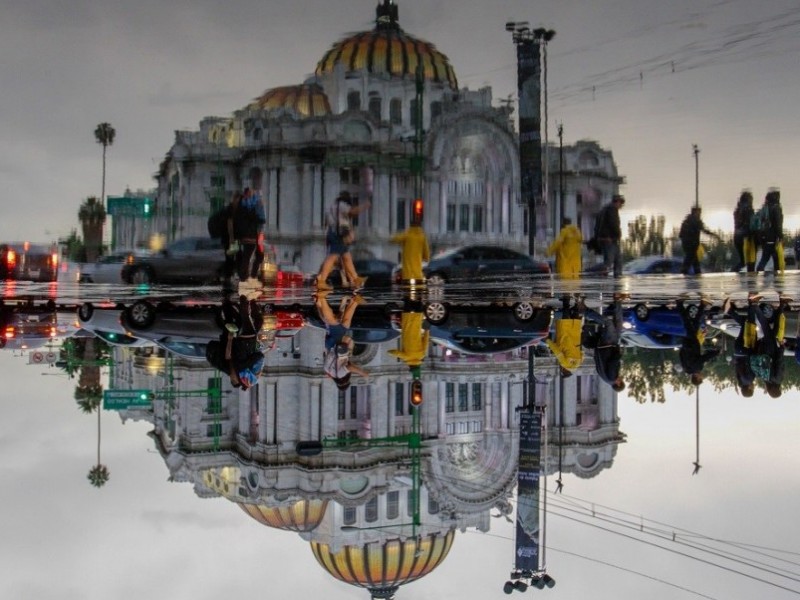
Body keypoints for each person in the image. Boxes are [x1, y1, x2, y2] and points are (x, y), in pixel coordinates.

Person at [205, 296, 266, 389]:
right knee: (254, 321)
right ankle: (244, 300)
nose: (234, 377)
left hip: (242, 342)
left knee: (245, 318)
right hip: (239, 342)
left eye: (234, 379)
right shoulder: (240, 370)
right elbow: (229, 356)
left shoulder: (236, 369)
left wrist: (230, 339)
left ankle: (244, 297)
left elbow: (228, 356)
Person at [317, 191, 371, 290]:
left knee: (347, 257)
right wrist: (365, 206)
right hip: (338, 234)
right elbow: (353, 211)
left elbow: (327, 222)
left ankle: (355, 279)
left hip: (332, 233)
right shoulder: (341, 205)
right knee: (332, 257)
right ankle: (322, 281)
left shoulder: (331, 207)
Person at [316, 290, 369, 390]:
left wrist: (362, 373)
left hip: (335, 345)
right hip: (330, 345)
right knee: (345, 323)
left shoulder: (340, 375)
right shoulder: (330, 372)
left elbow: (349, 368)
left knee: (332, 321)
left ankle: (322, 298)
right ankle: (355, 300)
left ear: (344, 381)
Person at [583, 294, 626, 391]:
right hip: (609, 345)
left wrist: (619, 355)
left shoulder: (612, 378)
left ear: (618, 383)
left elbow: (612, 363)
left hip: (607, 345)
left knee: (608, 323)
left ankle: (586, 311)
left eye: (621, 380)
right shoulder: (605, 378)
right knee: (619, 324)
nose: (621, 378)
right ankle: (617, 301)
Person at [677, 296, 719, 385]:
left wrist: (715, 353)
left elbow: (703, 358)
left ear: (697, 378)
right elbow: (681, 356)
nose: (702, 377)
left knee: (688, 322)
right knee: (694, 323)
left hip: (692, 343)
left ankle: (680, 304)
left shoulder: (697, 368)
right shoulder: (686, 369)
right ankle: (702, 305)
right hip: (686, 344)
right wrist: (684, 348)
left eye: (701, 378)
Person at [234, 187, 267, 291]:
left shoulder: (241, 204)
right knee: (254, 256)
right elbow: (261, 219)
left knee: (246, 256)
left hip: (243, 235)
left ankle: (245, 277)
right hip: (253, 235)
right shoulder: (254, 204)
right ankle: (248, 277)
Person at [546, 295, 585, 376]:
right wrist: (548, 341)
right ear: (564, 370)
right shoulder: (565, 364)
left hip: (575, 336)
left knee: (575, 318)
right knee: (565, 317)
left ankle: (577, 302)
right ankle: (566, 300)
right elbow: (557, 352)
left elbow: (582, 352)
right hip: (565, 337)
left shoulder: (578, 364)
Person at [390, 210, 430, 283]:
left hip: (407, 275)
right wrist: (427, 258)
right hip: (418, 274)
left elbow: (395, 239)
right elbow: (426, 252)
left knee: (406, 290)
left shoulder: (407, 235)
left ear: (410, 225)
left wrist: (389, 238)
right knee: (419, 290)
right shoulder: (422, 237)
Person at [678, 206, 720, 275]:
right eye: (699, 212)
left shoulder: (687, 221)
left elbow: (681, 234)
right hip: (691, 244)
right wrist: (713, 235)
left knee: (694, 260)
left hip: (687, 244)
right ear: (695, 212)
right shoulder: (695, 221)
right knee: (689, 259)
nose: (700, 214)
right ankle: (684, 273)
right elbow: (703, 230)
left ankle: (696, 273)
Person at [594, 195, 624, 278]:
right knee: (610, 261)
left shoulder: (604, 209)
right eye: (621, 203)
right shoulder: (612, 209)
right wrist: (618, 234)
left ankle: (616, 275)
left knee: (617, 259)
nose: (621, 205)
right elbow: (613, 224)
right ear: (617, 202)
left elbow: (598, 226)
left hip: (606, 239)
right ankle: (595, 273)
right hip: (609, 239)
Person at [756, 189, 784, 273]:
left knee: (766, 256)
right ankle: (777, 277)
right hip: (772, 237)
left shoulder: (765, 207)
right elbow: (778, 224)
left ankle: (758, 271)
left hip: (764, 237)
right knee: (776, 258)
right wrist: (780, 236)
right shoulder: (776, 207)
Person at [732, 190, 756, 273]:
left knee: (743, 261)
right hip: (746, 237)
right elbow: (751, 224)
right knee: (750, 260)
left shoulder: (737, 209)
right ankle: (750, 277)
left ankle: (735, 271)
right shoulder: (748, 209)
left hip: (737, 237)